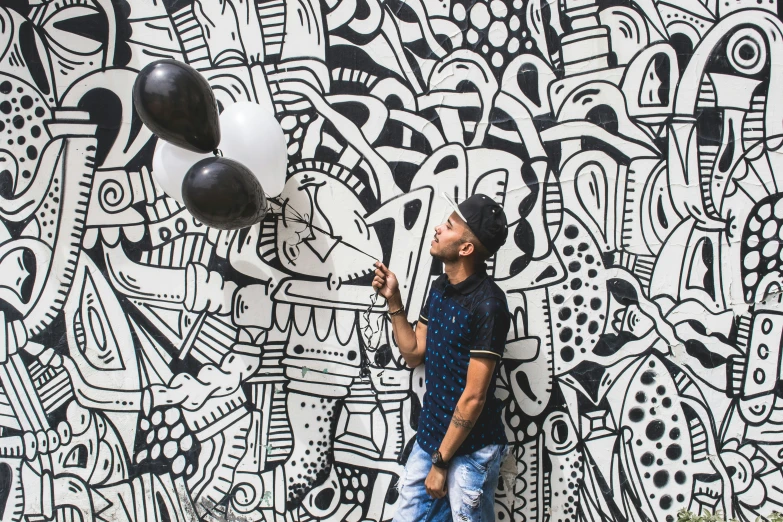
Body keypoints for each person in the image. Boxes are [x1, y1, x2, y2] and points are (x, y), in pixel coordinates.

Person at [373, 193, 511, 522]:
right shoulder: (440, 287)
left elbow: (474, 398)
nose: (437, 228)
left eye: (448, 226)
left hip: (473, 450)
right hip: (432, 437)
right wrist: (394, 301)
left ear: (466, 249)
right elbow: (413, 353)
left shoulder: (489, 304)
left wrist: (441, 463)